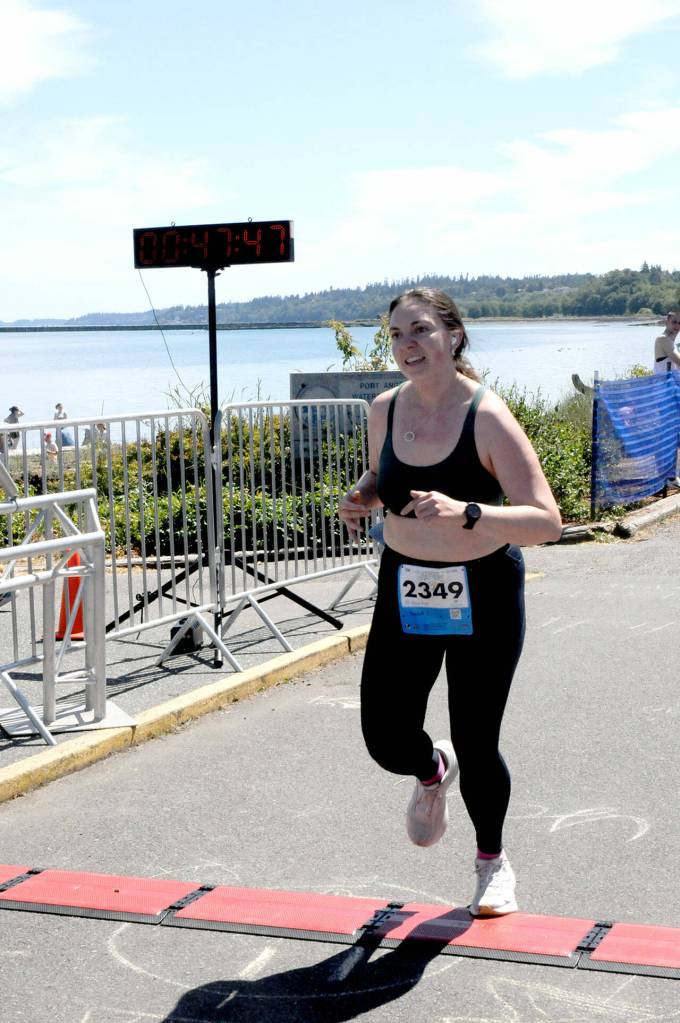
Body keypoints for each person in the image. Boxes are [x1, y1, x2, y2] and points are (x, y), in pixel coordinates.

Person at [339, 288, 562, 918]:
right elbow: (384, 480)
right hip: (407, 587)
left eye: (421, 330)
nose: (408, 345)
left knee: (477, 734)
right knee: (383, 734)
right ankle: (433, 771)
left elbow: (547, 520)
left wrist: (469, 511)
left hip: (484, 590)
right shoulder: (384, 408)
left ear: (453, 337)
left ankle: (492, 863)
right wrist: (363, 497)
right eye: (397, 335)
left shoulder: (487, 417)